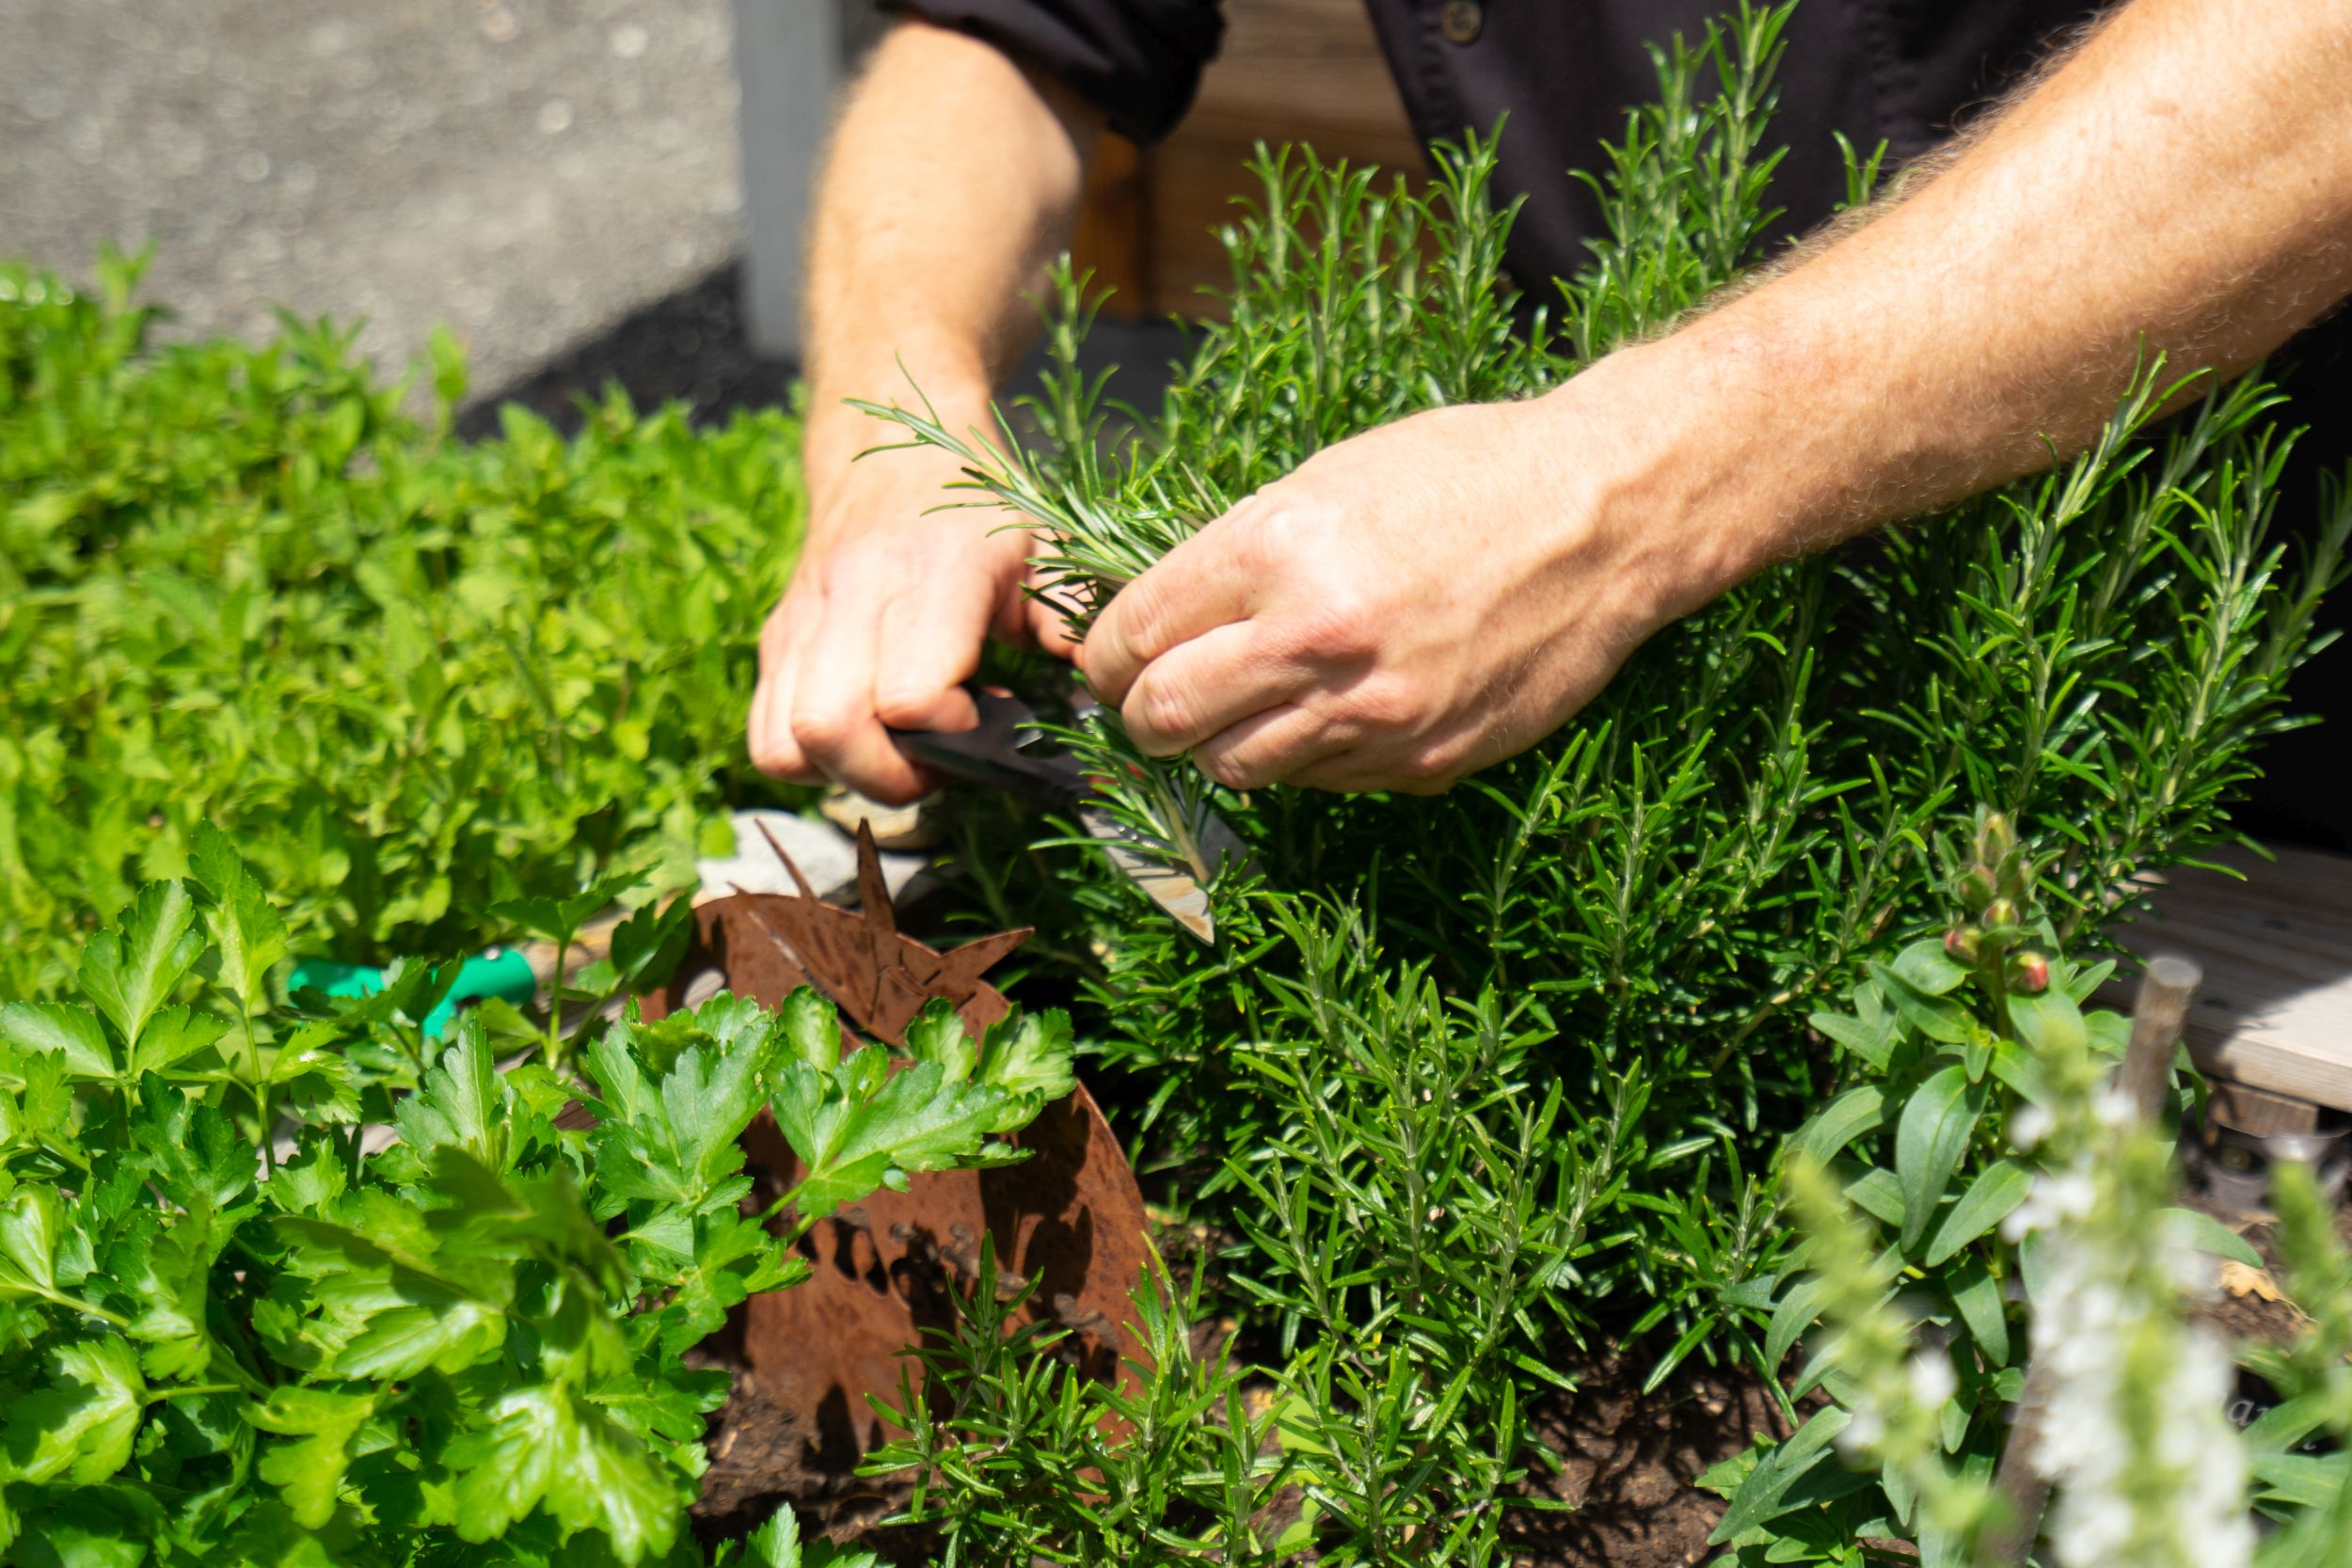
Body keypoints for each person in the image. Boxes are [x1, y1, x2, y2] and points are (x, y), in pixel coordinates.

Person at [746, 0, 2352, 845]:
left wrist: (1622, 491)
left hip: (2245, 709)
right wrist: (893, 429)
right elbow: (1003, 34)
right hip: (1663, 736)